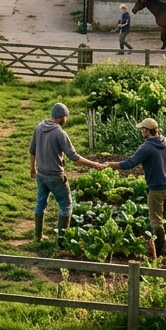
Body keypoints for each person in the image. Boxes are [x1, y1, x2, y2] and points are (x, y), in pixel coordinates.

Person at [29, 102, 106, 244]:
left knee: (40, 203)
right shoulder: (59, 133)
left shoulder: (39, 127)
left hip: (41, 174)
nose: (67, 120)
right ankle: (62, 241)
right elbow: (74, 156)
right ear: (62, 117)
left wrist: (32, 168)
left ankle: (38, 236)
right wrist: (94, 164)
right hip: (56, 176)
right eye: (66, 117)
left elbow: (32, 150)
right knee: (66, 205)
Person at [107, 118, 166, 257]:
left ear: (147, 131)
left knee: (156, 219)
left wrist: (110, 164)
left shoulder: (146, 147)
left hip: (156, 189)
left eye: (142, 129)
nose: (141, 131)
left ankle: (159, 250)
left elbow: (129, 163)